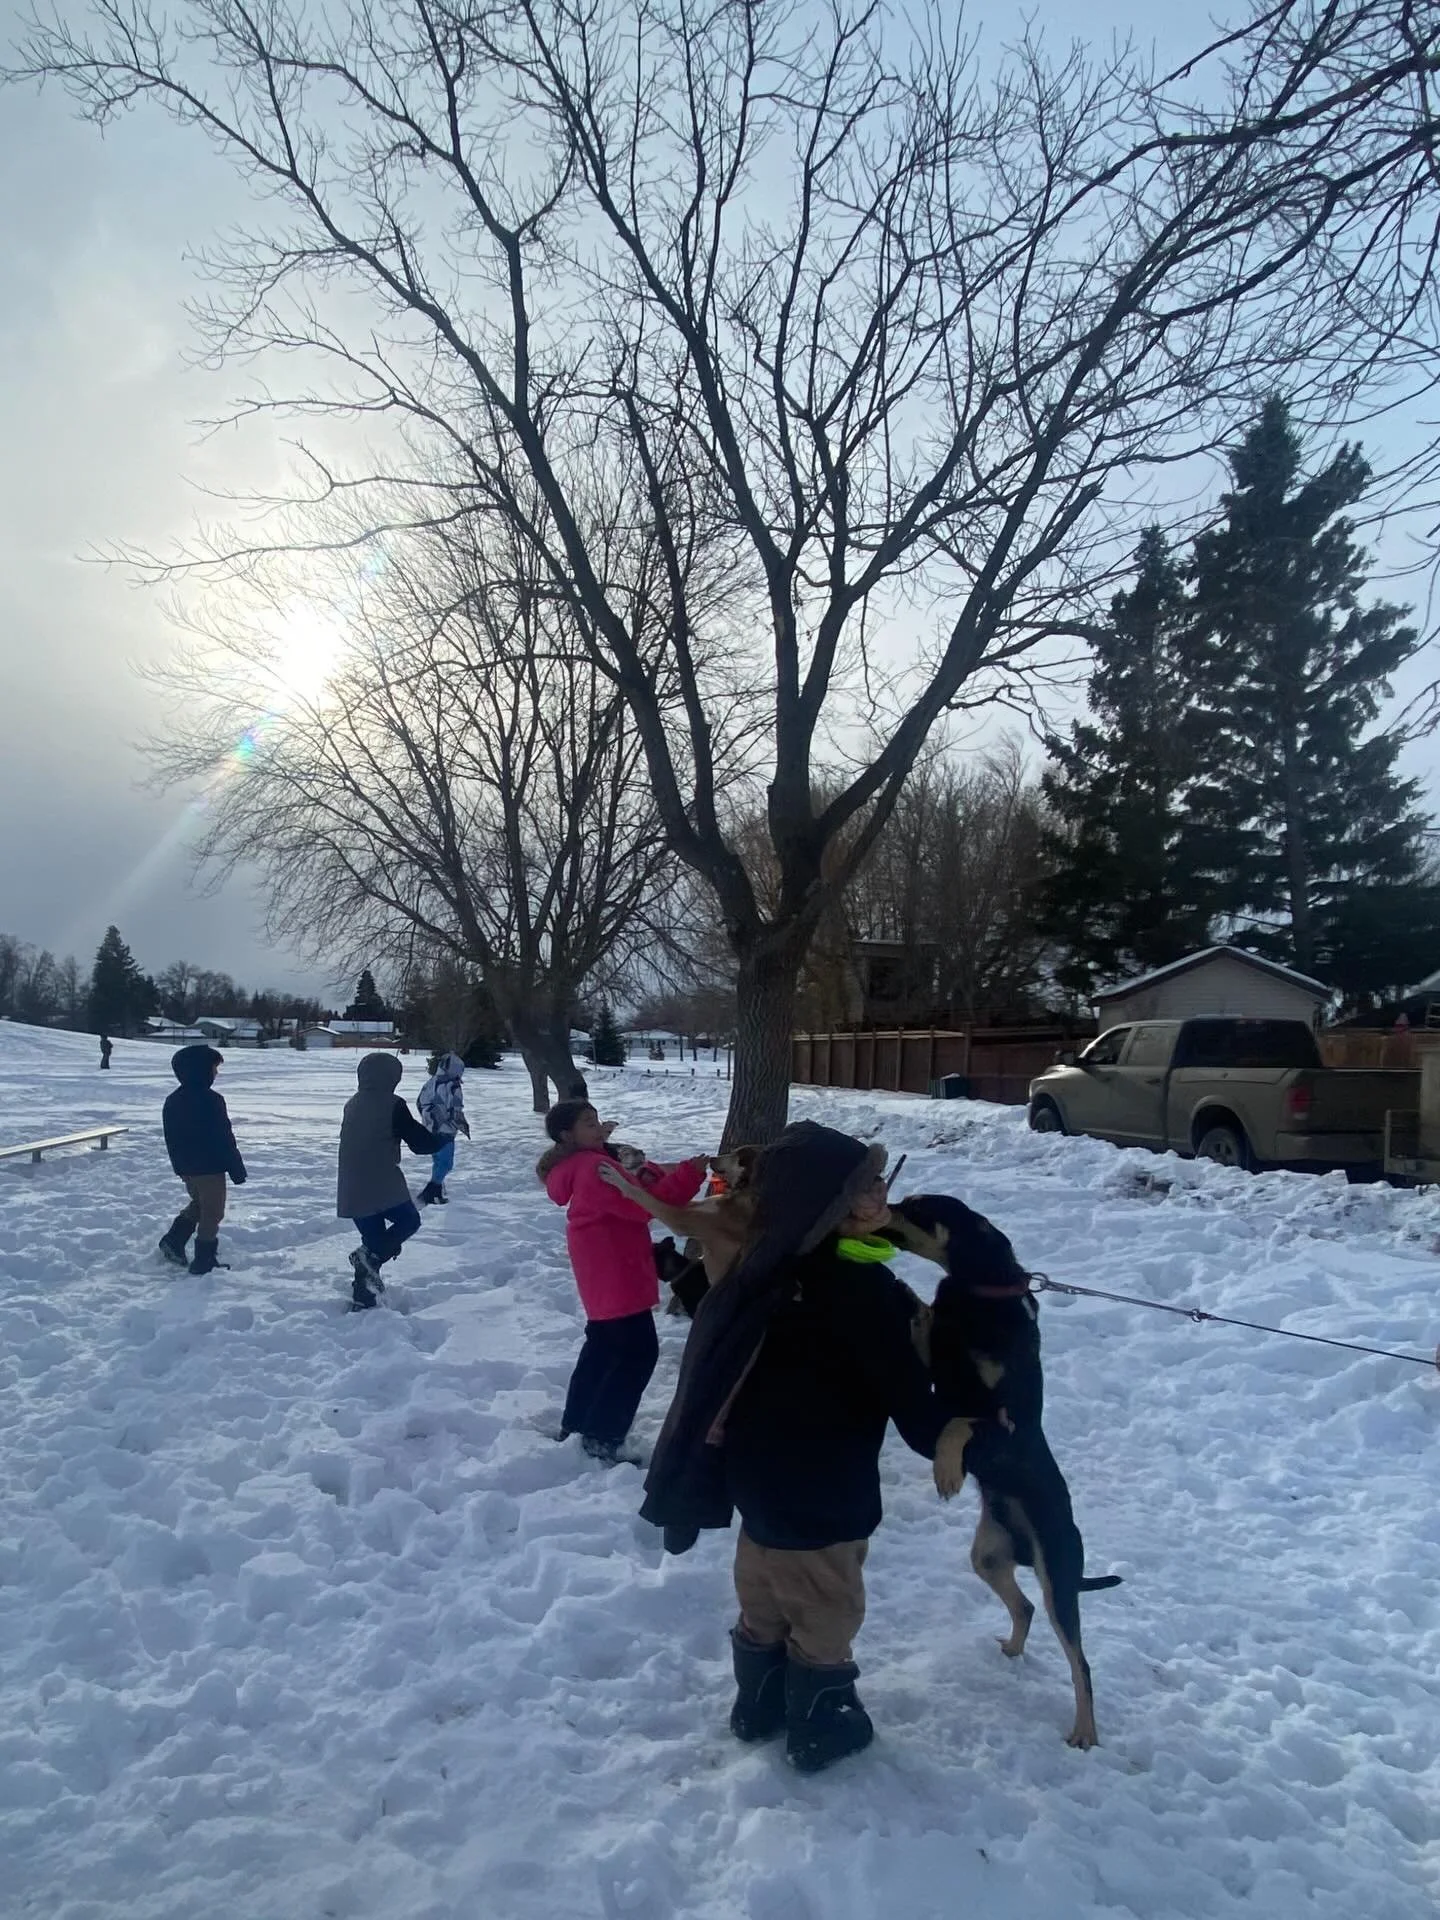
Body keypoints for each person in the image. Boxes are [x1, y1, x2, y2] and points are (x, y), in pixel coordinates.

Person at [639, 1121, 974, 1775]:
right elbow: (913, 1406)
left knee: (763, 1592)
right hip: (824, 1490)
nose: (882, 1193)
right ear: (827, 1206)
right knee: (826, 1606)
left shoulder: (767, 1266)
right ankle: (821, 1721)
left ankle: (757, 1704)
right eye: (865, 1186)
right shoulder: (860, 1292)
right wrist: (962, 1431)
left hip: (757, 1482)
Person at [538, 1099, 707, 1464]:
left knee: (602, 1349)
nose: (597, 1127)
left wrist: (658, 1173)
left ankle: (577, 1425)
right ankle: (601, 1438)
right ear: (567, 1135)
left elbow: (632, 1191)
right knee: (637, 1353)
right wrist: (688, 1177)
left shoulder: (583, 1163)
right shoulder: (593, 1167)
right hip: (616, 1268)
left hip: (603, 1266)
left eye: (596, 1119)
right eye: (588, 1123)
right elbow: (642, 1206)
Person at [336, 1052, 444, 1310]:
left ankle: (363, 1299)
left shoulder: (352, 1103)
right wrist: (441, 1136)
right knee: (408, 1221)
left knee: (374, 1243)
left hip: (351, 1185)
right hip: (381, 1181)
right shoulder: (393, 1104)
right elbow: (420, 1144)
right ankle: (365, 1262)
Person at [158, 1046, 247, 1275]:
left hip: (188, 1168)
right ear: (199, 1071)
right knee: (213, 1212)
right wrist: (236, 1168)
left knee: (200, 1204)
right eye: (214, 1068)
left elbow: (171, 1138)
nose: (216, 1073)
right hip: (209, 1168)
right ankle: (204, 1260)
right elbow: (223, 1137)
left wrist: (180, 1167)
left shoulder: (173, 1100)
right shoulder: (211, 1100)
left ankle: (174, 1239)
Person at [417, 1051, 469, 1204]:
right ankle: (431, 1190)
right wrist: (460, 1124)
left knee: (438, 1160)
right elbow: (455, 1108)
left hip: (431, 1128)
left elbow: (420, 1102)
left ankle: (436, 1190)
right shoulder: (452, 1085)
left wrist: (427, 1119)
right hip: (445, 1129)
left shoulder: (431, 1082)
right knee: (446, 1163)